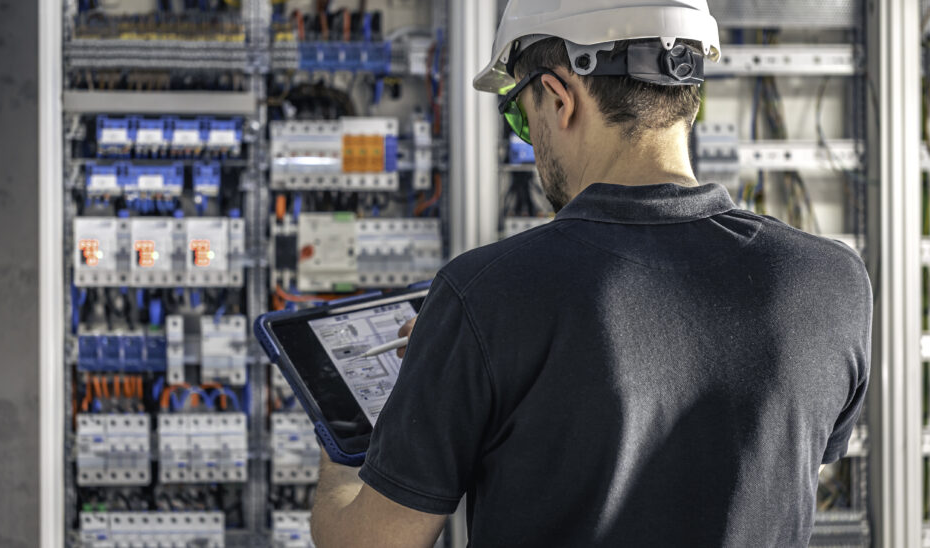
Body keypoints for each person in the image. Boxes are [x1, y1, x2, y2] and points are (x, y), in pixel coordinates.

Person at [309, 1, 872, 546]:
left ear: (558, 97)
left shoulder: (483, 295)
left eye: (519, 117)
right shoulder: (832, 282)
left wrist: (350, 434)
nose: (529, 141)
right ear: (688, 94)